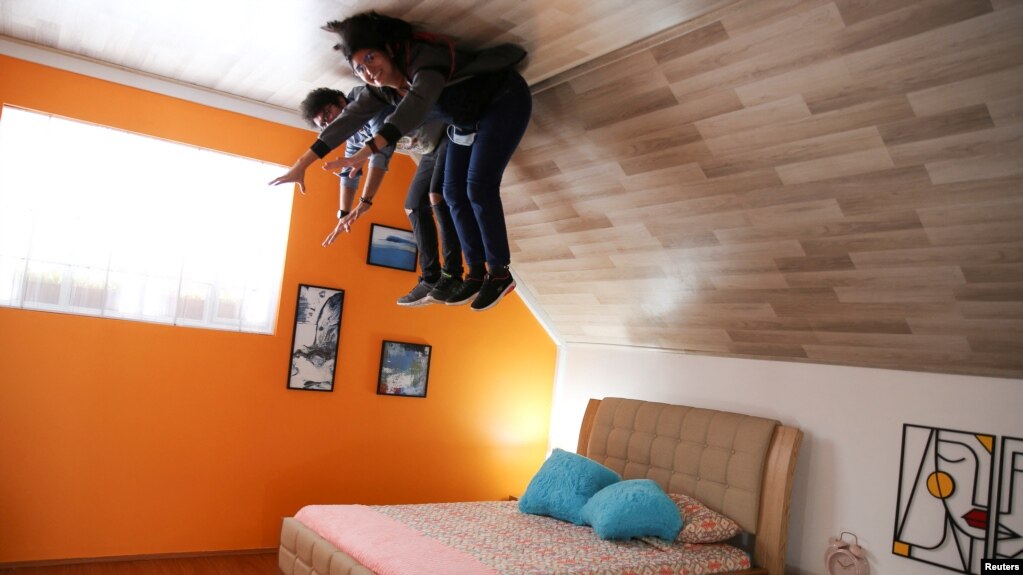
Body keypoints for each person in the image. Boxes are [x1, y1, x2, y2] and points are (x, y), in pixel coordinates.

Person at [270, 11, 532, 311]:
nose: (369, 71)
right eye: (360, 68)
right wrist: (303, 163)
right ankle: (474, 274)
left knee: (478, 188)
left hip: (503, 100)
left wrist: (366, 152)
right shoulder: (379, 90)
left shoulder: (425, 61)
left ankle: (499, 273)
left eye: (371, 58)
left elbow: (414, 109)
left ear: (389, 49)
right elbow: (345, 123)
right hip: (465, 121)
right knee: (450, 193)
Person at [303, 89, 463, 307]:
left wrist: (365, 202)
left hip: (448, 130)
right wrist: (344, 213)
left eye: (328, 114)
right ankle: (430, 278)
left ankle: (452, 275)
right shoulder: (354, 133)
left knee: (436, 196)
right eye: (324, 124)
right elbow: (349, 175)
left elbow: (380, 151)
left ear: (341, 101)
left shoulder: (368, 103)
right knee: (413, 205)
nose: (329, 123)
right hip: (430, 148)